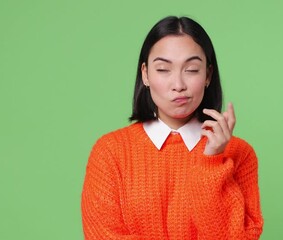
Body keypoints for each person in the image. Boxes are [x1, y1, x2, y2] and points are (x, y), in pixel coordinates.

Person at [81, 16, 264, 239]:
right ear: (145, 74)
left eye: (192, 69)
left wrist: (212, 160)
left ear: (208, 75)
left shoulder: (240, 154)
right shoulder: (110, 152)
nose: (178, 85)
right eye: (163, 69)